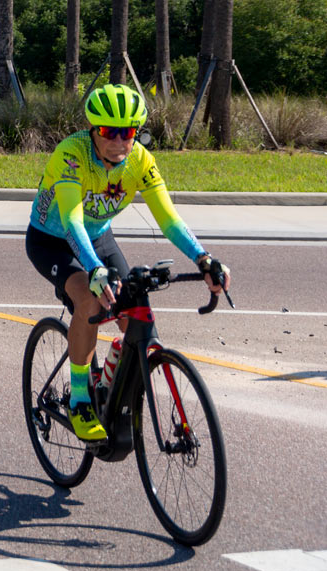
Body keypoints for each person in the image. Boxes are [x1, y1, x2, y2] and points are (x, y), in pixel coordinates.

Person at [25, 83, 230, 442]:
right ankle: (80, 399)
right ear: (93, 130)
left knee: (131, 308)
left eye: (129, 132)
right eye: (110, 132)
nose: (120, 141)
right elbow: (72, 221)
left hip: (99, 238)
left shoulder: (139, 160)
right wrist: (93, 270)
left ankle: (110, 379)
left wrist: (204, 258)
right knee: (90, 299)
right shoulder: (71, 154)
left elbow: (168, 219)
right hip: (53, 240)